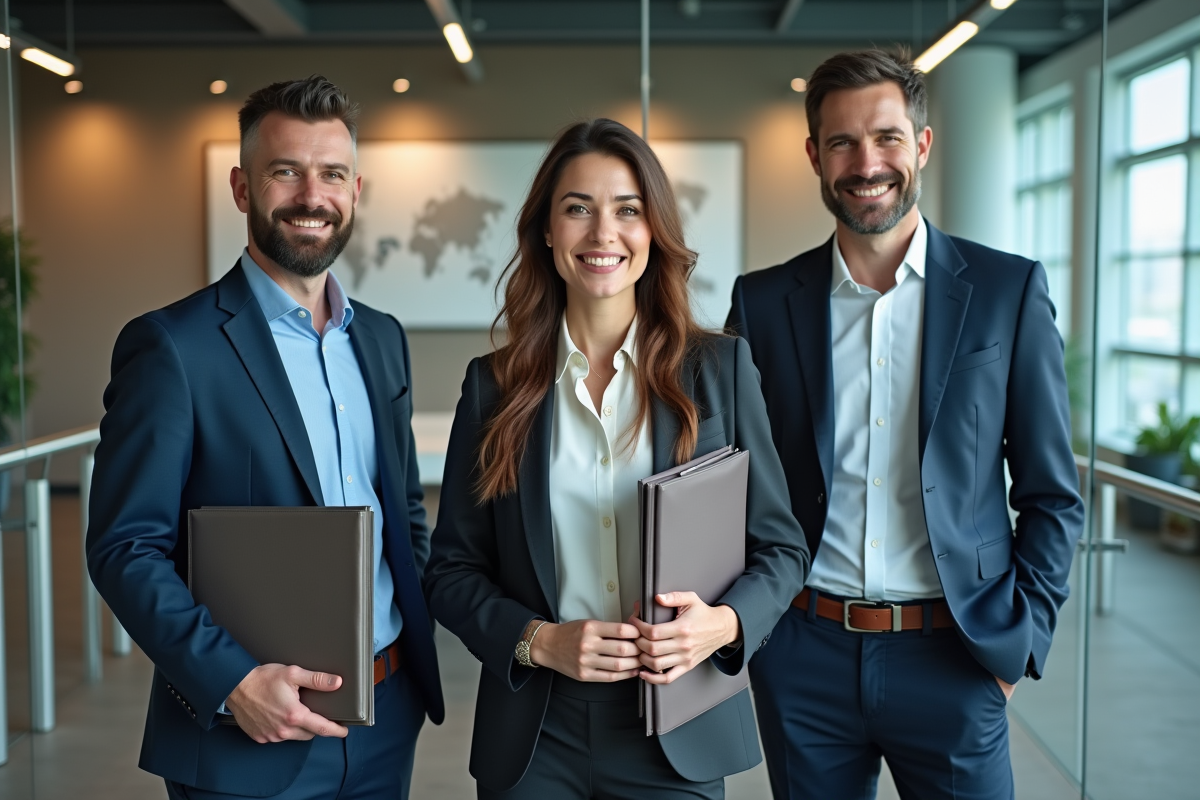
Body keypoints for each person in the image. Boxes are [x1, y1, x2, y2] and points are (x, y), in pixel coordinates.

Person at [726, 50, 1084, 800]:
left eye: (887, 138)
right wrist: (756, 633)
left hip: (956, 655)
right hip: (803, 653)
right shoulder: (761, 303)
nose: (867, 164)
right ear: (814, 156)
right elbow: (732, 483)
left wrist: (1018, 645)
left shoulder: (1007, 291)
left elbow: (1053, 493)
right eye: (843, 143)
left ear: (921, 144)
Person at [425, 118, 809, 799]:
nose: (603, 234)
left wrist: (722, 626)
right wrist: (538, 639)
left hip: (676, 724)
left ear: (653, 229)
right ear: (547, 231)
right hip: (536, 733)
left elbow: (781, 548)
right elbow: (452, 570)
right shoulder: (493, 386)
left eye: (628, 210)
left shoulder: (719, 370)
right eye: (578, 209)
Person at [86, 76, 442, 800]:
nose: (313, 195)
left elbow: (403, 512)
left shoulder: (381, 339)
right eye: (286, 171)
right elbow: (125, 546)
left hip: (387, 718)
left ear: (355, 190)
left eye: (332, 174)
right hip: (246, 733)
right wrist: (233, 682)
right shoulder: (172, 347)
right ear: (242, 188)